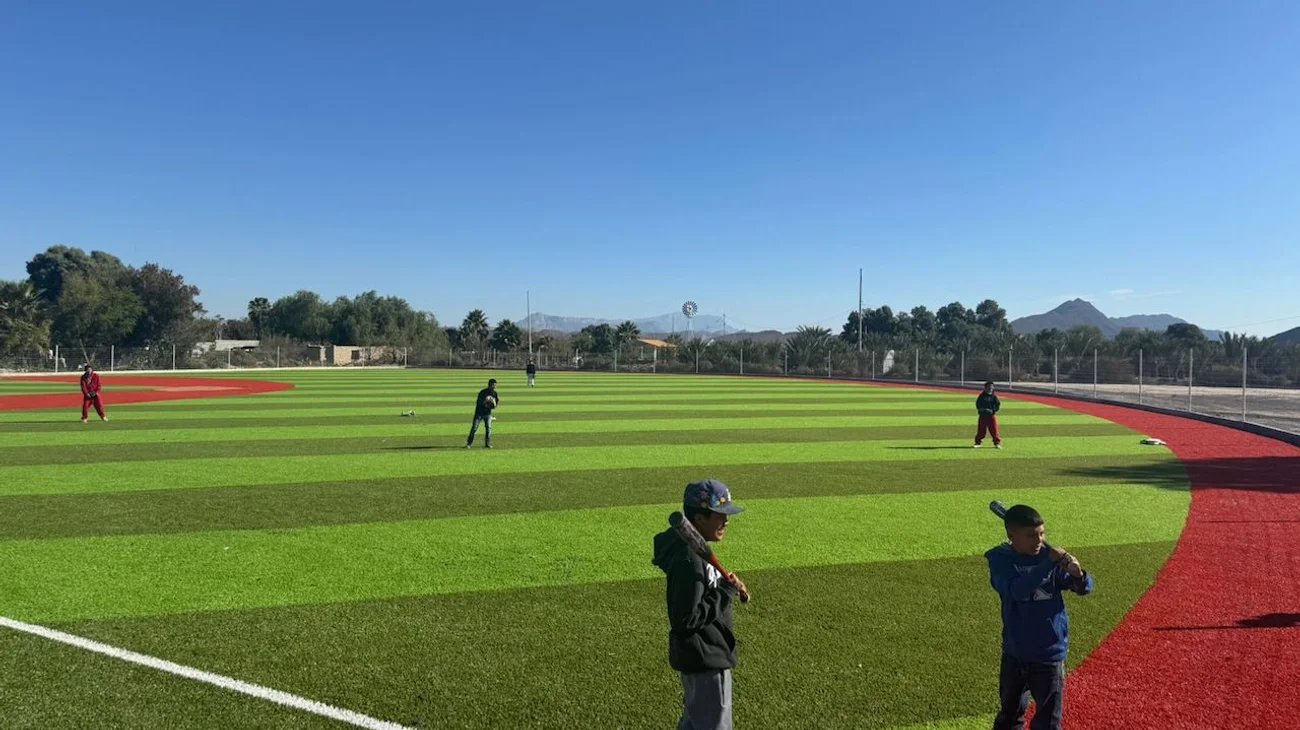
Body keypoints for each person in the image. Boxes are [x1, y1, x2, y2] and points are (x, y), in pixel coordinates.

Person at [652, 479, 749, 730]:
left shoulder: (693, 554)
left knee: (695, 724)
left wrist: (724, 587)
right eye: (720, 515)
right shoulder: (689, 560)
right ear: (698, 519)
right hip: (705, 657)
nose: (726, 521)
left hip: (703, 654)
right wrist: (726, 590)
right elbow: (685, 619)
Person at [986, 505, 1094, 730]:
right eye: (1031, 535)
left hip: (1048, 655)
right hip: (1015, 653)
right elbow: (1016, 590)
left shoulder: (1050, 557)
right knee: (1009, 715)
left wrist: (1077, 573)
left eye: (1042, 534)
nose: (1039, 540)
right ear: (1011, 536)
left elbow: (1083, 588)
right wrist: (1047, 564)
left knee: (1048, 722)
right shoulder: (1000, 559)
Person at [465, 378, 499, 449]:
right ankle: (469, 443)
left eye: (495, 385)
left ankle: (487, 444)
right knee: (474, 428)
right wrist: (486, 401)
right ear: (490, 385)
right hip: (479, 413)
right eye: (494, 385)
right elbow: (479, 403)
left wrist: (493, 403)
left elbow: (495, 405)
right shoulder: (482, 392)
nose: (495, 387)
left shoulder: (495, 394)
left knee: (488, 429)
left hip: (488, 414)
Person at [975, 380, 1002, 449]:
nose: (990, 388)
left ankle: (997, 443)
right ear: (985, 388)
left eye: (991, 387)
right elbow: (978, 404)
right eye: (989, 387)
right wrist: (981, 410)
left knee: (994, 430)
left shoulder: (994, 397)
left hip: (991, 416)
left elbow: (997, 405)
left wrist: (993, 411)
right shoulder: (981, 396)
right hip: (983, 416)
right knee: (981, 430)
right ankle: (978, 443)